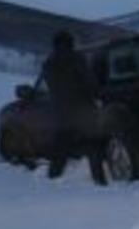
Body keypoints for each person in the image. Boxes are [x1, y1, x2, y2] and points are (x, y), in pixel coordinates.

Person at [41, 30, 108, 186]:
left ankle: (51, 180)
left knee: (60, 150)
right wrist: (97, 96)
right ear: (70, 43)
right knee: (93, 145)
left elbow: (52, 88)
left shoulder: (48, 63)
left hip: (61, 114)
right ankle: (99, 180)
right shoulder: (77, 59)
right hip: (82, 110)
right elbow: (90, 83)